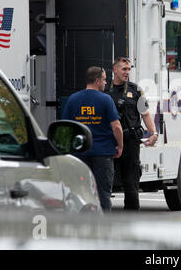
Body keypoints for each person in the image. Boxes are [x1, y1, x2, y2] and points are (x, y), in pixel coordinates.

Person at [62, 66, 123, 212]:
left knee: (79, 193)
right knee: (103, 195)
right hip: (103, 154)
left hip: (80, 154)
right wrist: (120, 145)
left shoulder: (73, 99)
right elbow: (116, 127)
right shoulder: (106, 100)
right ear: (97, 81)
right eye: (104, 80)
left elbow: (66, 128)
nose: (106, 83)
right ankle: (103, 227)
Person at [106, 57, 158, 211]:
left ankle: (132, 220)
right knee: (105, 181)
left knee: (131, 183)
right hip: (110, 141)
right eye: (124, 69)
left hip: (130, 141)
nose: (127, 72)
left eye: (129, 69)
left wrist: (154, 133)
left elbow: (145, 114)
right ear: (115, 70)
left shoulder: (135, 91)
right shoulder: (104, 90)